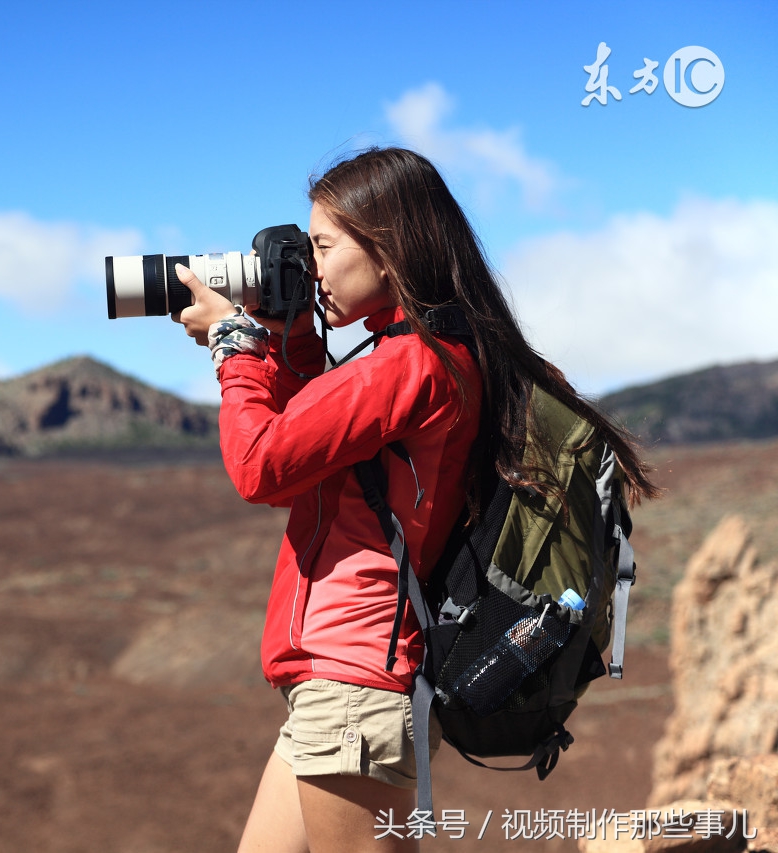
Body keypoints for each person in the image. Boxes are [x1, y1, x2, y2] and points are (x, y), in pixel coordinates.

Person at [172, 147, 658, 853]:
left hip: (355, 682)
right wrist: (293, 336)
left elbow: (262, 465)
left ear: (390, 247)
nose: (311, 266)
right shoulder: (426, 354)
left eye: (324, 246)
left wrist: (234, 346)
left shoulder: (411, 362)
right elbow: (319, 441)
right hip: (337, 686)